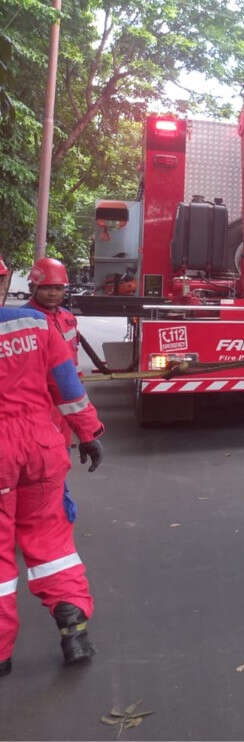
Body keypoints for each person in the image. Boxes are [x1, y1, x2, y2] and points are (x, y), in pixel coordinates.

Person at [0, 253, 105, 677]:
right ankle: (73, 624)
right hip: (41, 446)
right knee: (51, 542)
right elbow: (68, 386)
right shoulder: (35, 325)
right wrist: (90, 432)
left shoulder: (49, 319)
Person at [21, 257, 82, 448]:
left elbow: (73, 358)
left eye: (58, 288)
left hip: (64, 398)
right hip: (36, 401)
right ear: (33, 289)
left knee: (62, 456)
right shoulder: (23, 320)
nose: (52, 293)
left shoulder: (68, 318)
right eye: (46, 288)